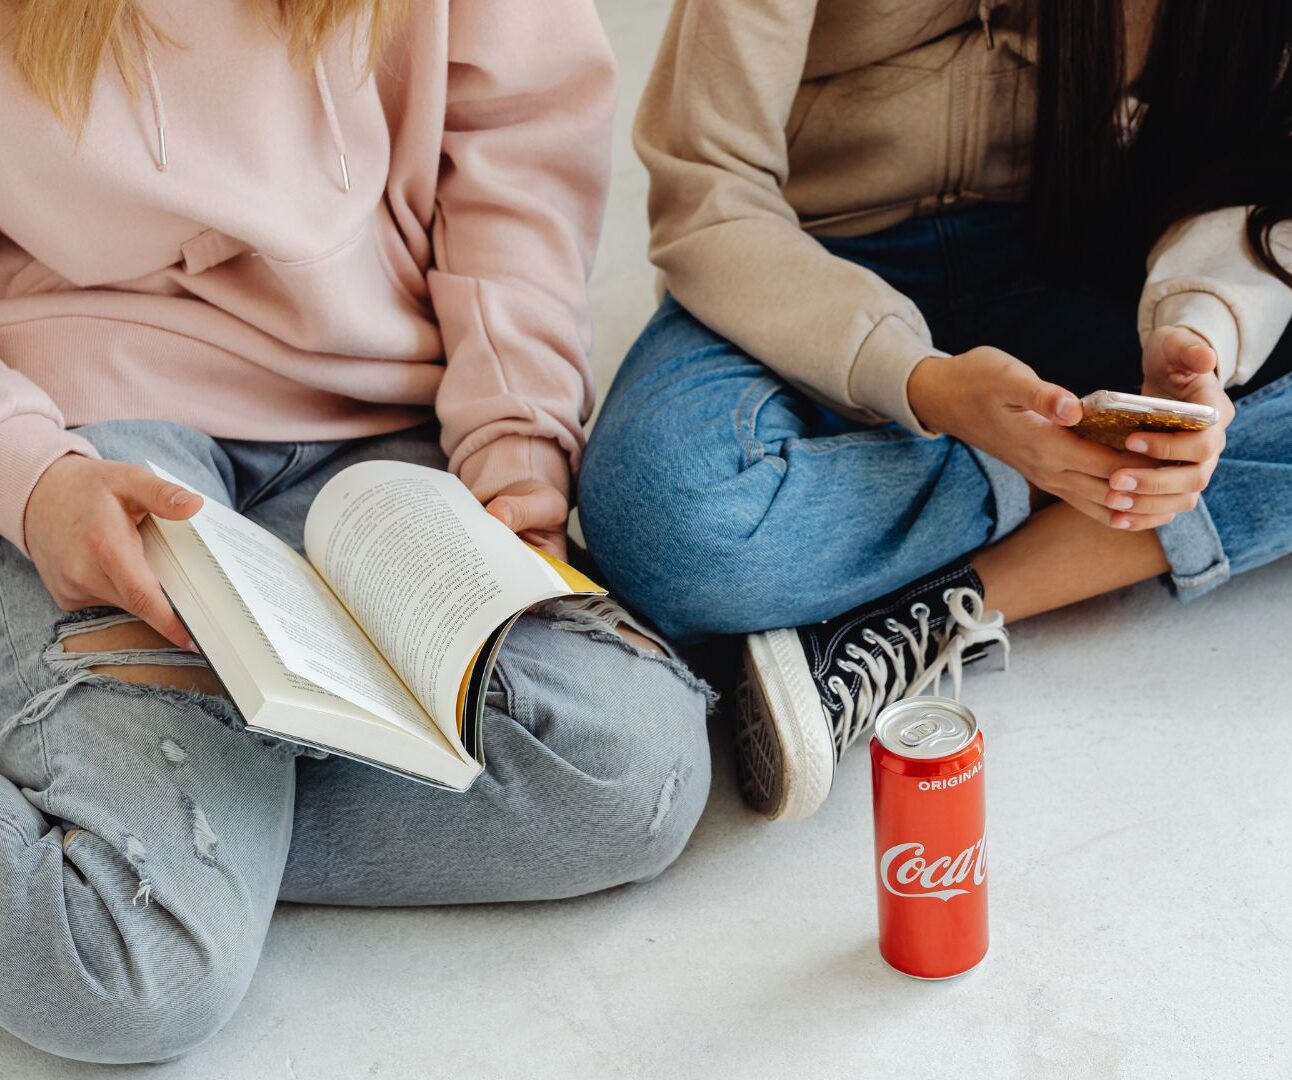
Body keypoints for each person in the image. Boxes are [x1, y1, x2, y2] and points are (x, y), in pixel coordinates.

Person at [0, 0, 711, 1064]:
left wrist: (515, 447)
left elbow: (513, 143)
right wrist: (32, 478)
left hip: (380, 440)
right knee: (128, 967)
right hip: (90, 448)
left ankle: (168, 832)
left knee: (629, 784)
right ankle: (152, 845)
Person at [578, 0, 1292, 822]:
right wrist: (922, 384)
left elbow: (1253, 164)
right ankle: (1052, 487)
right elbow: (709, 193)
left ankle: (923, 615)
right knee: (671, 521)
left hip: (1081, 254)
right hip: (806, 269)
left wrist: (1198, 335)